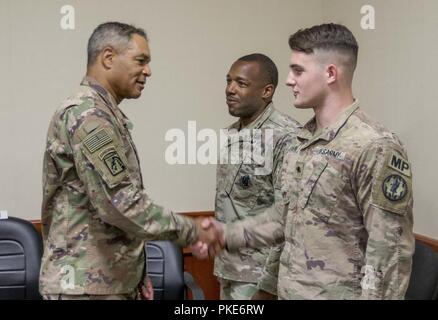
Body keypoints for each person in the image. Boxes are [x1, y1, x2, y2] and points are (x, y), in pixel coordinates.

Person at [204, 23, 415, 300]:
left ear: (330, 73)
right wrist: (230, 236)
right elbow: (285, 218)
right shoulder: (302, 141)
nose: (289, 80)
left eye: (298, 70)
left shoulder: (375, 145)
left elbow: (389, 259)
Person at [40, 21, 217, 300]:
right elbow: (120, 203)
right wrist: (192, 230)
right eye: (141, 60)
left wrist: (134, 273)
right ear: (108, 58)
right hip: (85, 288)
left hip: (107, 281)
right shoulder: (88, 115)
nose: (148, 71)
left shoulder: (105, 114)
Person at [192, 54, 300, 300]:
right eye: (228, 81)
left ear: (267, 91)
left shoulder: (286, 137)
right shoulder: (232, 134)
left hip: (260, 278)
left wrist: (268, 286)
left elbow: (287, 216)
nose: (230, 89)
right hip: (230, 271)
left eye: (241, 83)